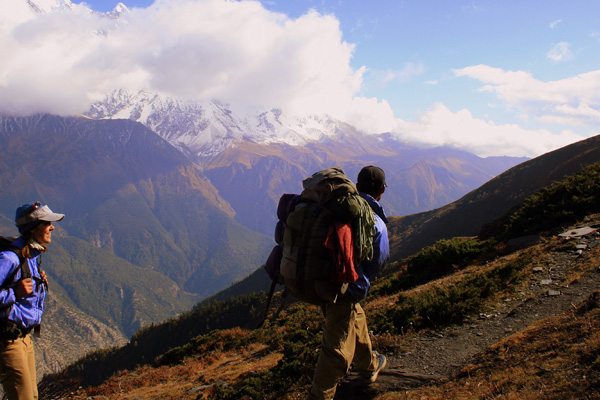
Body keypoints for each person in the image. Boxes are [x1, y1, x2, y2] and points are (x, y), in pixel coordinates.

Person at [309, 166, 391, 399]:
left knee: (355, 315)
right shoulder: (374, 221)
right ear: (381, 191)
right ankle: (320, 395)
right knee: (336, 347)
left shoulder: (336, 206)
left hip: (319, 276)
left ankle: (368, 365)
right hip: (343, 285)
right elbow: (378, 262)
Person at [0, 202, 65, 400]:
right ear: (33, 228)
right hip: (8, 340)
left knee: (31, 396)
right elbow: (17, 291)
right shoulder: (10, 258)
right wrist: (15, 294)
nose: (52, 227)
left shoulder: (31, 255)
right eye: (47, 223)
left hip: (24, 338)